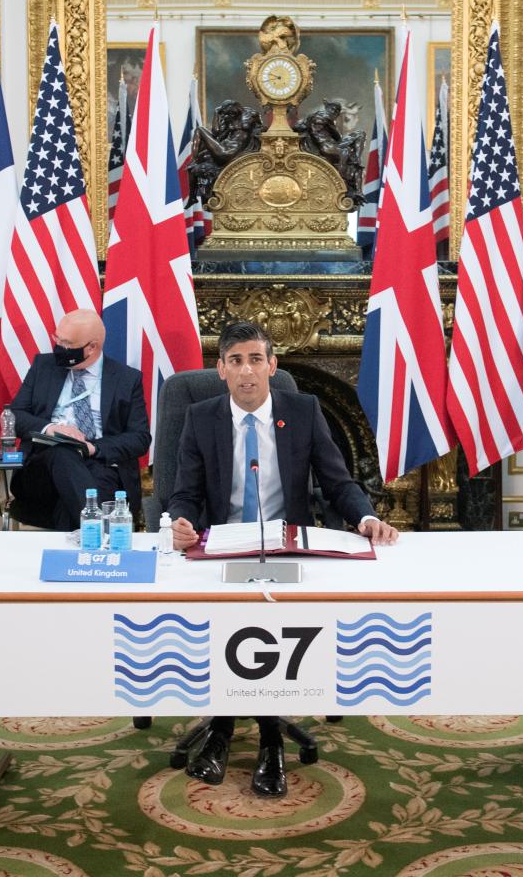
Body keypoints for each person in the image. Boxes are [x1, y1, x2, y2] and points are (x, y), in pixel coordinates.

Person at [168, 321, 398, 798]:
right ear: (221, 370)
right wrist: (181, 522)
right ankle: (230, 731)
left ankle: (262, 738)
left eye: (256, 359)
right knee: (230, 624)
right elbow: (184, 492)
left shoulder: (304, 409)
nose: (246, 371)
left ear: (272, 366)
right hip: (222, 546)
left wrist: (366, 518)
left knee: (270, 625)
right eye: (235, 361)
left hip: (288, 543)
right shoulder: (201, 417)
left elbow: (337, 482)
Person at [8, 309, 150, 530]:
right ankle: (101, 534)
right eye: (57, 339)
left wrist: (92, 448)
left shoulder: (126, 378)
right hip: (42, 467)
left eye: (66, 343)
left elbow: (139, 438)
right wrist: (51, 428)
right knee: (62, 452)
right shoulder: (43, 367)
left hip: (99, 462)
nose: (59, 347)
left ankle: (84, 544)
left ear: (91, 347)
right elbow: (15, 416)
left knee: (78, 498)